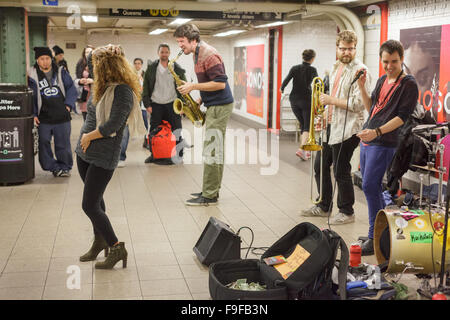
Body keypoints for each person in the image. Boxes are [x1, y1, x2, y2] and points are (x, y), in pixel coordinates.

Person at [75, 44, 145, 269]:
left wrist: (89, 137)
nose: (93, 69)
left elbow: (113, 125)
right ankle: (99, 242)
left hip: (103, 155)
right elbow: (89, 58)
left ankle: (116, 246)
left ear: (106, 68)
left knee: (89, 205)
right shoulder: (102, 85)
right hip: (85, 152)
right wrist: (102, 50)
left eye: (97, 66)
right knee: (97, 201)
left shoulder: (123, 91)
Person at [301, 30, 372, 225]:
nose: (347, 52)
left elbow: (358, 103)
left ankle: (347, 211)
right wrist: (325, 114)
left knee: (341, 169)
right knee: (320, 166)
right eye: (343, 48)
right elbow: (330, 98)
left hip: (349, 129)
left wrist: (331, 100)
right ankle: (324, 206)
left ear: (355, 48)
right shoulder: (335, 67)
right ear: (337, 49)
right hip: (331, 125)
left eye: (350, 49)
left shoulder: (361, 71)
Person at [356, 40, 418, 256]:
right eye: (385, 61)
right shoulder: (382, 79)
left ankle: (375, 235)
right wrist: (362, 87)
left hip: (383, 142)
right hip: (368, 138)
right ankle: (387, 227)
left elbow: (402, 117)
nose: (389, 66)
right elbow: (371, 108)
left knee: (369, 186)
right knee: (372, 188)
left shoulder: (408, 84)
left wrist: (378, 132)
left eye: (394, 61)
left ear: (401, 59)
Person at [174, 23, 234, 206]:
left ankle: (209, 195)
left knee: (212, 150)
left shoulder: (209, 54)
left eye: (182, 41)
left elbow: (220, 83)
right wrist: (199, 100)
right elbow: (210, 82)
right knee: (212, 149)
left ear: (193, 40)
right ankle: (210, 190)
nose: (179, 45)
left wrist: (192, 86)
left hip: (220, 106)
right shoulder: (196, 53)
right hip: (213, 104)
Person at [28, 46, 77, 177]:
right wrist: (33, 114)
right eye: (42, 59)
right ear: (37, 60)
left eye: (47, 58)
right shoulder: (32, 75)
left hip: (62, 115)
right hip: (44, 117)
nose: (45, 61)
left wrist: (68, 105)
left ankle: (65, 167)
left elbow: (71, 88)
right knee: (43, 142)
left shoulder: (61, 72)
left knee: (63, 144)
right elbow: (30, 96)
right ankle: (53, 167)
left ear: (51, 59)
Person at [142, 43, 186, 164]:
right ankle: (153, 155)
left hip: (173, 104)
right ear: (158, 53)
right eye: (162, 52)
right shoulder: (151, 68)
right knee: (153, 131)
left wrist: (183, 106)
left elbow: (184, 87)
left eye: (166, 52)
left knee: (177, 130)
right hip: (156, 104)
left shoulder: (176, 68)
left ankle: (179, 155)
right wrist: (147, 104)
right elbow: (145, 88)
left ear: (169, 53)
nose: (164, 54)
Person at [280, 49, 318, 160]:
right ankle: (302, 149)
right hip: (306, 100)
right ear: (312, 59)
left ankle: (305, 151)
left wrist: (281, 89)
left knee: (302, 124)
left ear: (303, 57)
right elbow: (317, 83)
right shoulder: (312, 70)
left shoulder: (294, 68)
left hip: (294, 100)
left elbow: (286, 81)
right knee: (307, 126)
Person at [118, 57, 147, 167]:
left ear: (141, 64)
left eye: (139, 63)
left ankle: (146, 141)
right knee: (125, 132)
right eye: (136, 63)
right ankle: (121, 157)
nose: (137, 65)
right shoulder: (129, 75)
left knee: (145, 124)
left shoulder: (144, 75)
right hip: (130, 105)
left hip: (142, 105)